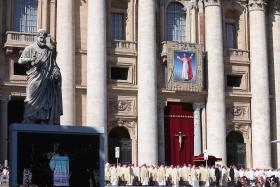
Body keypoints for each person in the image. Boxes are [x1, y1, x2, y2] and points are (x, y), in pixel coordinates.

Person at [18, 29, 62, 125]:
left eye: (44, 38)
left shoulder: (49, 51)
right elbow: (20, 61)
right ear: (37, 37)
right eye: (41, 37)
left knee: (45, 103)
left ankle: (44, 121)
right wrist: (30, 59)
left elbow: (53, 64)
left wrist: (56, 73)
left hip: (46, 81)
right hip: (34, 80)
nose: (42, 40)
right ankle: (29, 120)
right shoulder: (30, 48)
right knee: (30, 100)